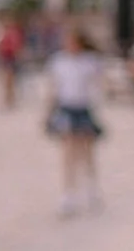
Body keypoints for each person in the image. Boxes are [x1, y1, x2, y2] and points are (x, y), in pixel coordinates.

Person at [45, 25, 107, 215]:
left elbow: (99, 84)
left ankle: (91, 187)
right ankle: (68, 192)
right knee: (68, 152)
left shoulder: (89, 62)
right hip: (67, 108)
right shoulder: (59, 61)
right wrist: (48, 112)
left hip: (84, 108)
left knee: (87, 151)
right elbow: (53, 88)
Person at [0, 12, 27, 109]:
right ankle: (8, 100)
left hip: (10, 59)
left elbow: (17, 47)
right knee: (6, 81)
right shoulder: (3, 33)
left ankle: (10, 100)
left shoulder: (12, 33)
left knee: (10, 81)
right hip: (5, 59)